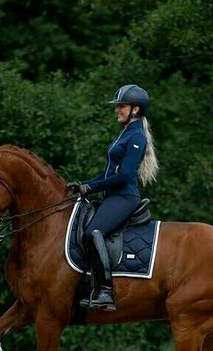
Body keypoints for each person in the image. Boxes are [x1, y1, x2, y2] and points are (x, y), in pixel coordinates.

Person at [68, 84, 159, 311]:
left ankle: (106, 292)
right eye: (118, 106)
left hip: (125, 197)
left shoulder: (136, 136)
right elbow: (109, 174)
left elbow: (125, 175)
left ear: (135, 110)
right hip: (112, 196)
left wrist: (91, 187)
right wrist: (84, 184)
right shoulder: (126, 133)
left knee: (93, 232)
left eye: (121, 106)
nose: (117, 110)